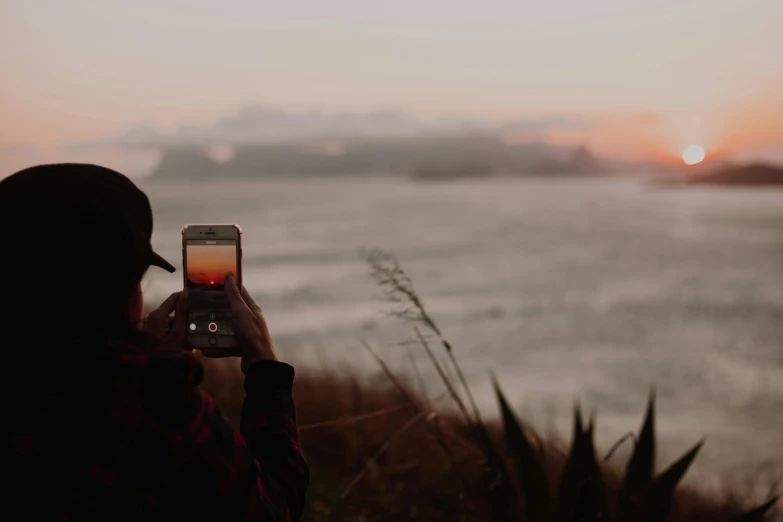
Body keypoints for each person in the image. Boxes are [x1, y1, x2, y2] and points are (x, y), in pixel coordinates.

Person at [3, 164, 309, 521]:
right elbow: (274, 510)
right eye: (138, 278)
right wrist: (264, 368)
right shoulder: (157, 403)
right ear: (122, 293)